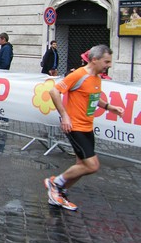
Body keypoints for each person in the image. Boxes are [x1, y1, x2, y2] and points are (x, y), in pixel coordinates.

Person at [44, 45, 124, 212]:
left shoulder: (97, 77)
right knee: (92, 165)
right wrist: (64, 115)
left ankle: (59, 194)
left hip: (88, 126)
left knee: (81, 166)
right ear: (94, 59)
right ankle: (55, 182)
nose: (109, 65)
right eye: (106, 61)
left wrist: (109, 107)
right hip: (75, 126)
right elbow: (54, 91)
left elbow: (93, 97)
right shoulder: (79, 74)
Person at [0, 32, 13, 126]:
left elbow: (5, 62)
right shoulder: (4, 48)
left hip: (1, 75)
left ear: (3, 39)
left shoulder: (6, 48)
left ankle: (4, 119)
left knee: (1, 98)